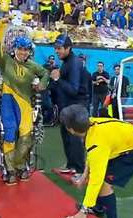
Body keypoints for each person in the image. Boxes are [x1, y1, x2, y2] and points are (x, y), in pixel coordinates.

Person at [60, 104, 133, 218]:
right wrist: (85, 175)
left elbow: (97, 178)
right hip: (119, 145)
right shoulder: (90, 124)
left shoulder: (96, 143)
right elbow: (91, 154)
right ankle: (98, 208)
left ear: (71, 130)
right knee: (94, 178)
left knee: (104, 186)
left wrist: (83, 211)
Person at [0, 17, 49, 185]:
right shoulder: (5, 61)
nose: (23, 52)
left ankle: (20, 166)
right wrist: (1, 26)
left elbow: (45, 73)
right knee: (10, 131)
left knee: (26, 134)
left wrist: (43, 84)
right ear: (14, 49)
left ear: (29, 51)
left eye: (26, 50)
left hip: (25, 103)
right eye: (20, 49)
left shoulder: (33, 66)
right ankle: (9, 170)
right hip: (8, 101)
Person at [51, 34, 89, 175]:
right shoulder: (67, 61)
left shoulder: (74, 63)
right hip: (68, 107)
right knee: (66, 136)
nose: (56, 51)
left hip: (77, 106)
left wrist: (57, 79)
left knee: (74, 139)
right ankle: (71, 165)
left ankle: (79, 170)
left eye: (59, 48)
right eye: (56, 48)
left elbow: (73, 90)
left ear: (68, 48)